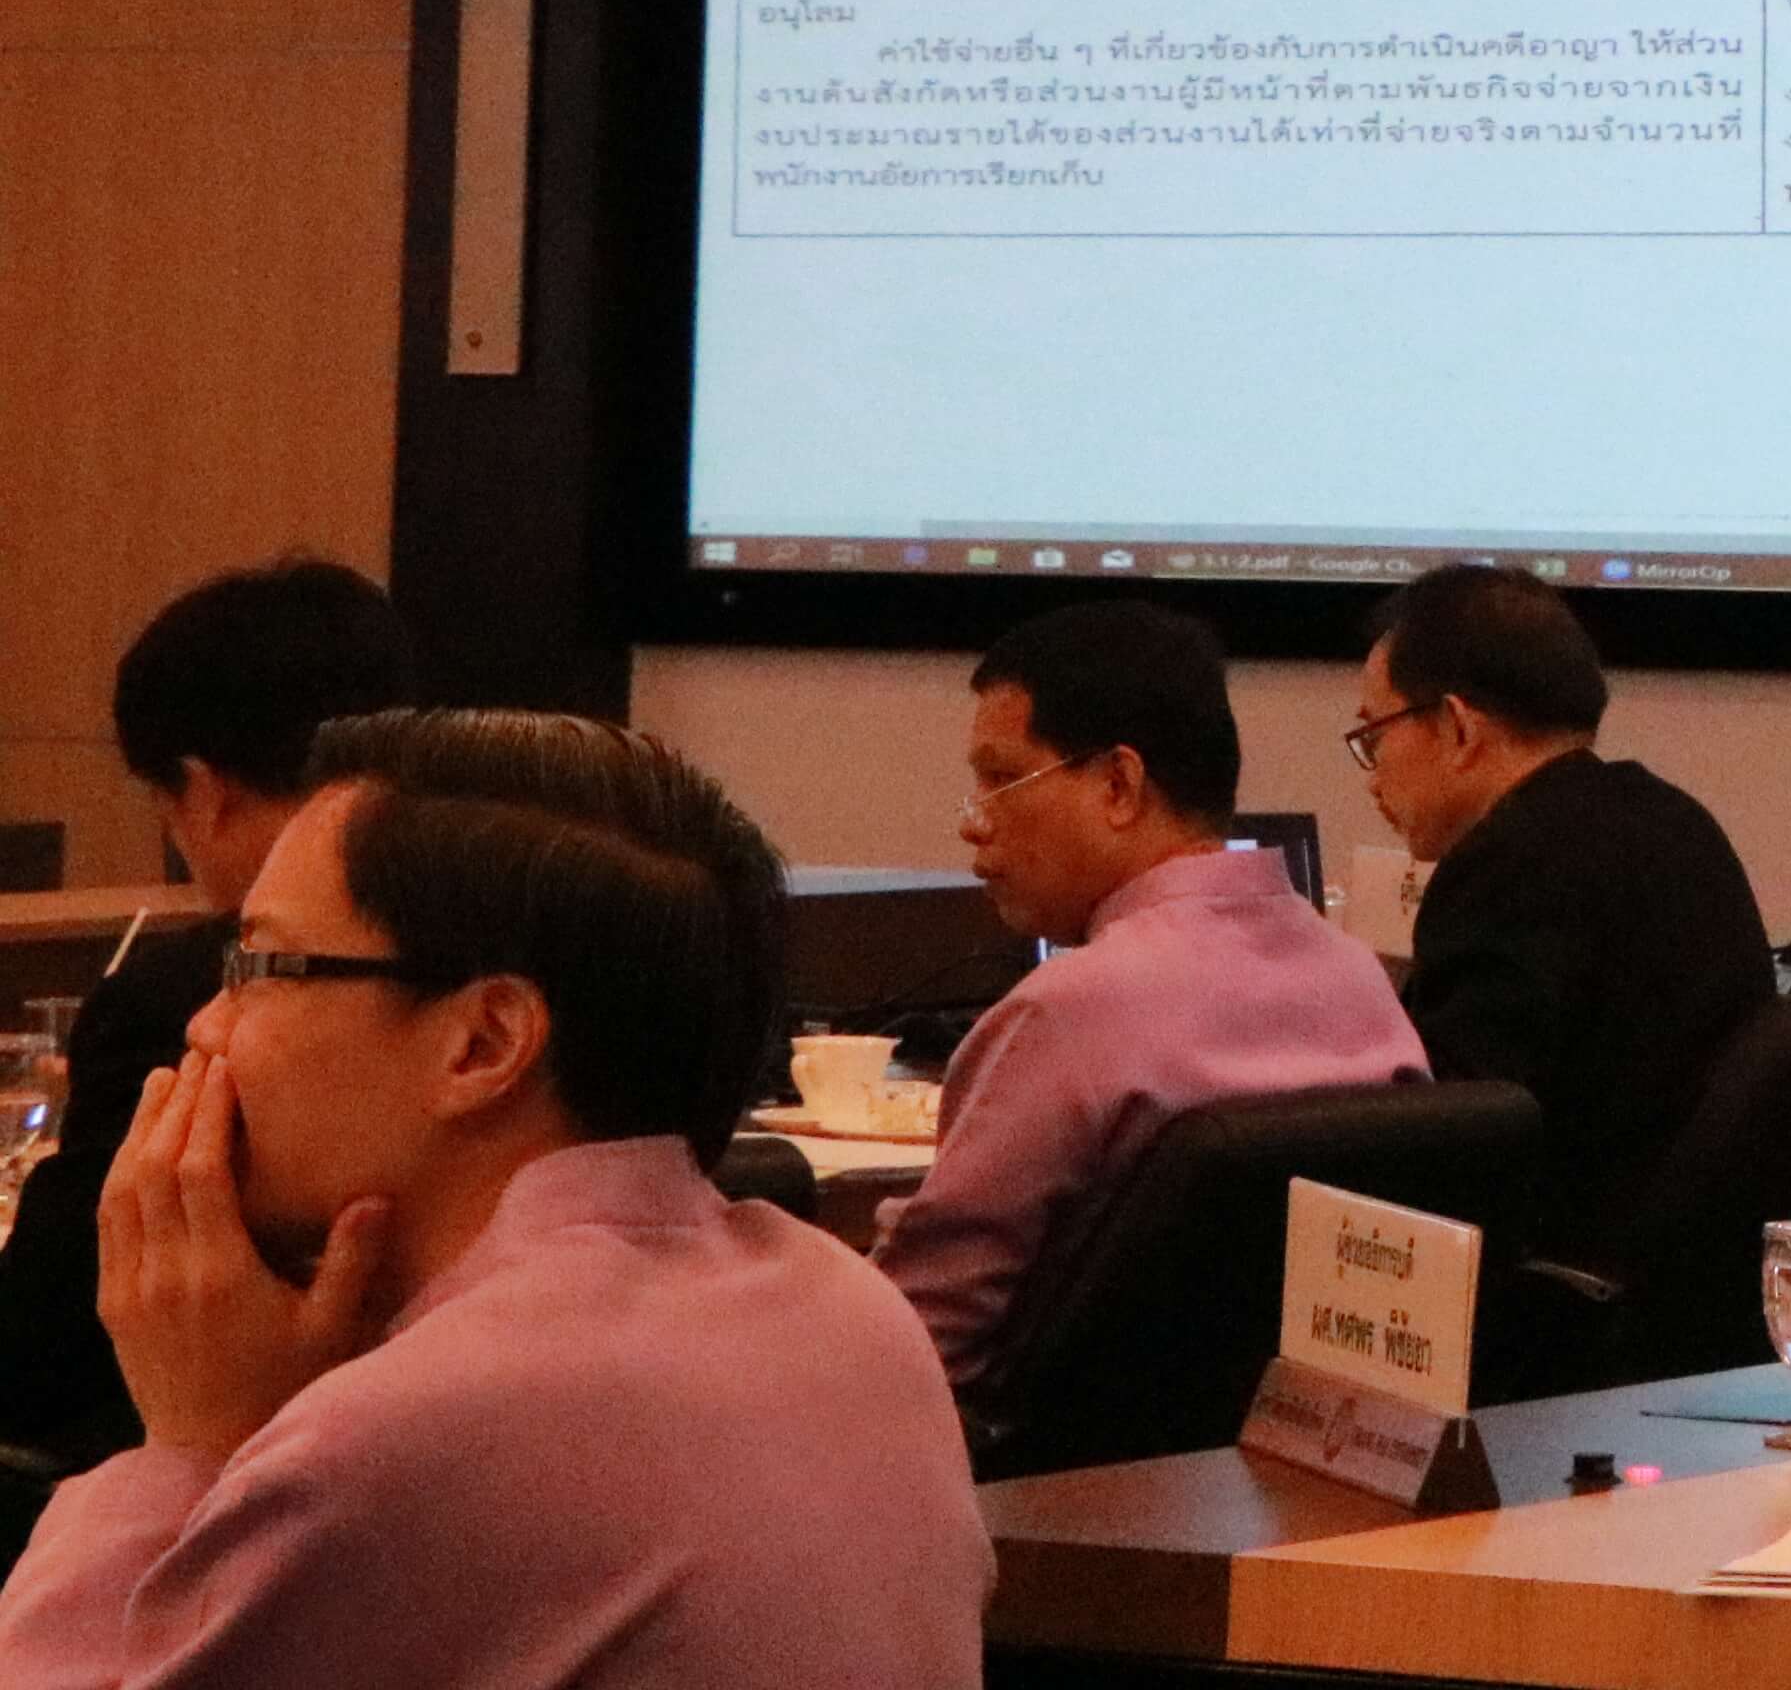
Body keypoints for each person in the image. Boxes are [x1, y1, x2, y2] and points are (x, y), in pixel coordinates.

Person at [0, 709, 982, 1689]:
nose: (207, 1026)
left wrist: (190, 1442)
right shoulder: (854, 1312)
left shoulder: (408, 1434)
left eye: (254, 966)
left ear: (482, 1043)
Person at [872, 602, 1421, 1387]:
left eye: (1000, 778)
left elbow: (912, 1342)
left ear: (1119, 785)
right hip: (1292, 1446)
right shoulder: (1363, 983)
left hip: (1057, 1457)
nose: (975, 822)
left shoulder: (1061, 1015)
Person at [0, 566, 419, 1482]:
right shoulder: (496, 945)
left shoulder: (180, 997)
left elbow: (39, 1342)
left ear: (204, 789)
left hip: (198, 1472)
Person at [1347, 567, 1764, 1245]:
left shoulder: (1504, 868)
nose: (1373, 776)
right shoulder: (1676, 821)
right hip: (1693, 1263)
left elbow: (1453, 1148)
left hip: (1575, 1272)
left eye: (1376, 735)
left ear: (1457, 727)